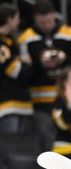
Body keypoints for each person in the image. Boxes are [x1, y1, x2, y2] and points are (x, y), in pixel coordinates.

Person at [18, 0, 71, 150]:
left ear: (54, 16)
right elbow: (23, 73)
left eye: (49, 21)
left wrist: (64, 59)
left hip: (69, 97)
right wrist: (40, 63)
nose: (46, 25)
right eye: (42, 22)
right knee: (46, 136)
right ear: (35, 19)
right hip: (40, 101)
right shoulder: (26, 38)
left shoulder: (70, 33)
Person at [0, 3, 32, 134]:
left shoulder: (11, 41)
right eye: (17, 18)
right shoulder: (1, 44)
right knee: (8, 149)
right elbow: (14, 71)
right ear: (9, 19)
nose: (19, 22)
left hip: (19, 103)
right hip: (7, 106)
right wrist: (25, 62)